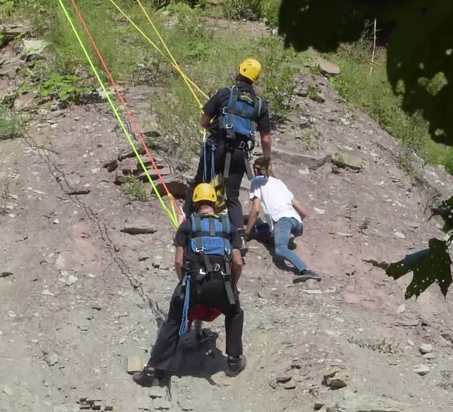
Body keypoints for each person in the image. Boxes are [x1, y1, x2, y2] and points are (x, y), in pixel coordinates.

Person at [132, 183, 247, 387]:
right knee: (235, 312)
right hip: (222, 284)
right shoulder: (228, 225)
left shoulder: (187, 225)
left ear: (194, 202)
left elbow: (178, 261)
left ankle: (153, 372)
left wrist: (183, 282)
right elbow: (238, 262)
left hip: (194, 284)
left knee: (174, 321)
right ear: (214, 202)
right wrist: (232, 285)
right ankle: (233, 361)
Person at [182, 59, 272, 254]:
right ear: (254, 80)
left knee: (201, 183)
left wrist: (212, 128)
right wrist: (266, 158)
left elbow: (203, 121)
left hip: (216, 147)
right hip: (239, 152)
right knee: (232, 196)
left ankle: (189, 222)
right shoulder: (260, 105)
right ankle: (239, 238)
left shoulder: (224, 94)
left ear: (239, 72)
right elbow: (265, 137)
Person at [244, 157, 321, 283]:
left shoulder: (257, 181)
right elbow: (304, 212)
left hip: (282, 221)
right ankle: (276, 234)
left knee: (280, 248)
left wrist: (246, 234)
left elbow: (256, 209)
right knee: (260, 230)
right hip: (296, 223)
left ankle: (305, 270)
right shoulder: (280, 183)